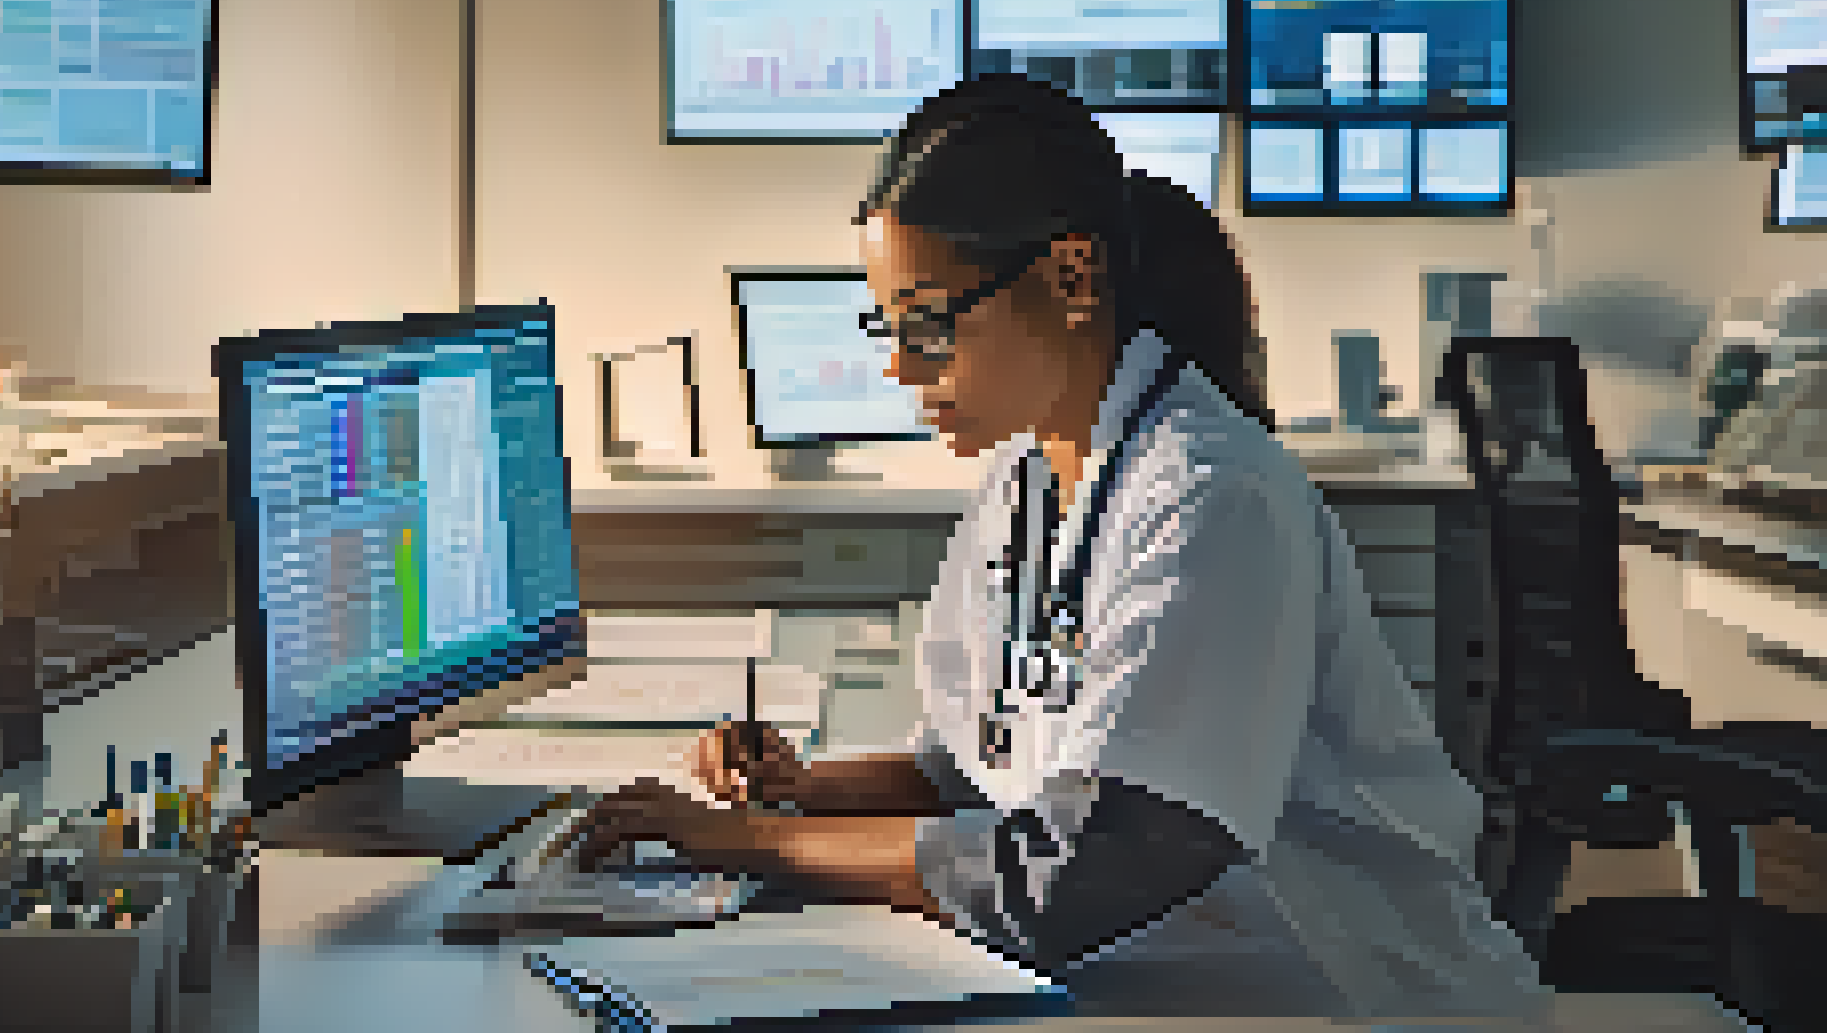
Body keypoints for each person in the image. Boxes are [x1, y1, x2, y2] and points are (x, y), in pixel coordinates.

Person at [566, 76, 1551, 1021]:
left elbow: (1080, 869)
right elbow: (972, 774)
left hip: (1328, 994)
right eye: (887, 326)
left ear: (1072, 277)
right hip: (1146, 980)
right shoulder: (1028, 479)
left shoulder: (1214, 499)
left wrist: (750, 842)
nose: (901, 368)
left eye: (931, 324)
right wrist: (804, 788)